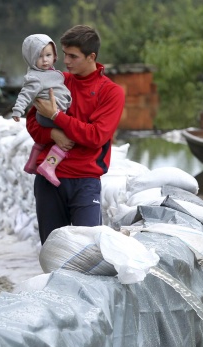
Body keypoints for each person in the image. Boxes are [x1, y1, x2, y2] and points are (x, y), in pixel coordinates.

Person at [26, 25, 125, 244]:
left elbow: (96, 136)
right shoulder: (55, 81)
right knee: (53, 248)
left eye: (73, 56)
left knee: (87, 249)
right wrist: (53, 134)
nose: (66, 61)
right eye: (64, 54)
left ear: (92, 57)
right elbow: (32, 122)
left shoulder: (111, 92)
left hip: (85, 181)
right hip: (48, 181)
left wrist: (57, 116)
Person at [11, 34, 72, 184]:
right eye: (39, 56)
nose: (45, 60)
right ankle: (49, 165)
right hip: (48, 114)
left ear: (54, 55)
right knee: (70, 135)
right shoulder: (35, 77)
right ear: (31, 58)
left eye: (48, 55)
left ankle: (32, 163)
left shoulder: (49, 73)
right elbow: (25, 94)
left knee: (41, 142)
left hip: (48, 114)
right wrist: (18, 109)